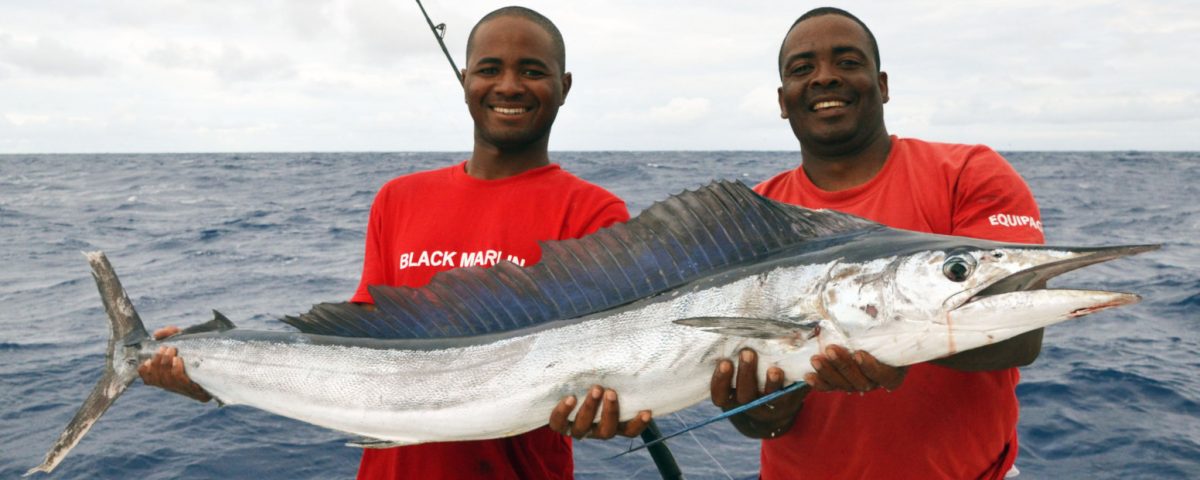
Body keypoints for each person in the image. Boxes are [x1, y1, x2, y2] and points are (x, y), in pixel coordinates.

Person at [139, 6, 650, 479]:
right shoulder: (399, 197)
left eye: (533, 71)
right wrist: (211, 373)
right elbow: (359, 344)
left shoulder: (595, 212)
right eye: (489, 69)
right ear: (464, 81)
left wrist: (613, 407)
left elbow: (610, 366)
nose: (509, 86)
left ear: (564, 86)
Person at [709, 7, 1045, 479]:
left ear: (882, 85)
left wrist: (886, 345)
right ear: (783, 99)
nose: (824, 78)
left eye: (847, 62)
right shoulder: (750, 216)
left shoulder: (969, 172)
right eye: (802, 69)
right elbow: (757, 421)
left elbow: (1020, 331)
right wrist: (760, 407)